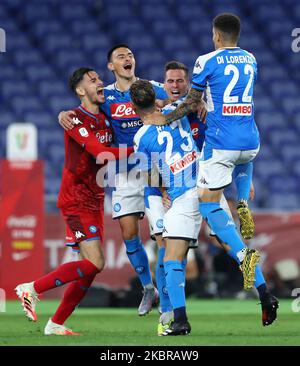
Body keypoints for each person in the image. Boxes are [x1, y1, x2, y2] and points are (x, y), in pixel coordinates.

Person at [142, 14, 279, 326]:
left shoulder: (196, 97)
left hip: (204, 178)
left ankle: (178, 316)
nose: (175, 86)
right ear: (163, 85)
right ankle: (182, 317)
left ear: (216, 35)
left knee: (183, 250)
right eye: (170, 82)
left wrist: (171, 114)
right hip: (242, 147)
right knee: (209, 247)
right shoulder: (250, 58)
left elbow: (191, 103)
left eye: (180, 81)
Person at [58, 44, 207, 316]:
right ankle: (147, 288)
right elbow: (85, 109)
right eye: (120, 57)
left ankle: (168, 304)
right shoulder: (106, 97)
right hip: (125, 172)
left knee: (162, 237)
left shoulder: (150, 88)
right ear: (111, 67)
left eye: (130, 55)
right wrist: (64, 114)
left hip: (155, 169)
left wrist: (201, 101)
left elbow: (180, 97)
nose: (127, 58)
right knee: (129, 234)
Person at [15, 68, 133, 335]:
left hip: (94, 197)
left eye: (99, 78)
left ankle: (55, 324)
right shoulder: (75, 119)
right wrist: (140, 148)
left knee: (88, 270)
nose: (100, 82)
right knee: (96, 263)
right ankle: (30, 289)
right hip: (76, 199)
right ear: (81, 91)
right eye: (93, 81)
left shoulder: (104, 117)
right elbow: (101, 152)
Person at [132, 79, 201, 335]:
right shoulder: (178, 108)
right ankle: (262, 287)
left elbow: (147, 173)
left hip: (176, 195)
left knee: (169, 254)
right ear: (156, 97)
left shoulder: (141, 137)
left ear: (133, 106)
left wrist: (162, 191)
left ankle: (172, 315)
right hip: (203, 183)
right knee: (176, 251)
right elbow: (194, 100)